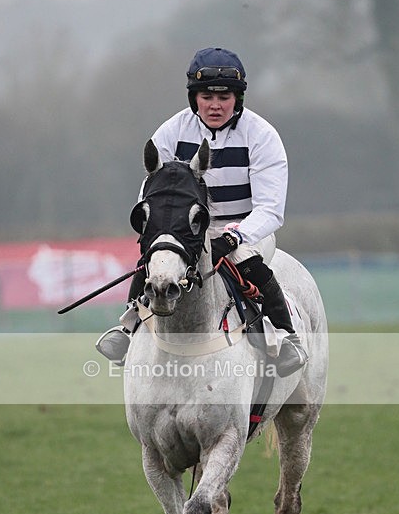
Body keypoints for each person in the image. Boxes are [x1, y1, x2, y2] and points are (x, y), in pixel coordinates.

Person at [96, 46, 307, 376]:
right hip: (188, 229)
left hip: (248, 230)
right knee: (155, 261)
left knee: (247, 263)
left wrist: (236, 238)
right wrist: (159, 234)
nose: (215, 105)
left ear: (238, 98)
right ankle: (127, 327)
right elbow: (149, 193)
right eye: (207, 96)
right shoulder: (170, 133)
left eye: (225, 97)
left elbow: (270, 210)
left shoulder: (262, 136)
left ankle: (287, 336)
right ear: (194, 97)